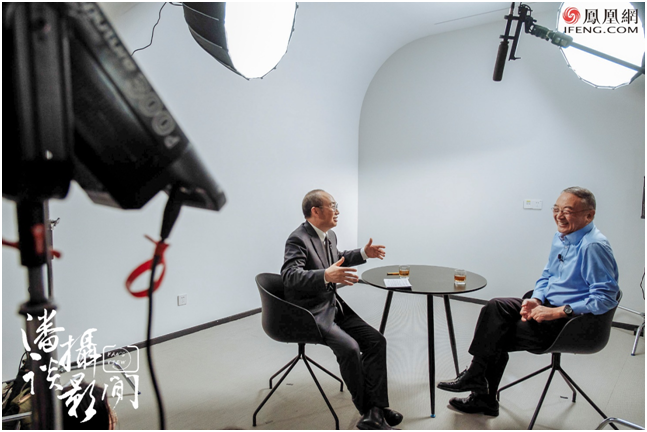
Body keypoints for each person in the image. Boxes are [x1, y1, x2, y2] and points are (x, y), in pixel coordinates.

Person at [437, 186, 619, 417]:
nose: (559, 216)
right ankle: (477, 380)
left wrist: (557, 312)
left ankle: (481, 392)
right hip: (547, 306)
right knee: (495, 308)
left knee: (496, 333)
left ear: (589, 215)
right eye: (556, 209)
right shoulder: (561, 237)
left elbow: (606, 298)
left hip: (570, 322)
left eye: (567, 211)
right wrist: (536, 299)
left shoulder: (593, 246)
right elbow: (547, 276)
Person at [281, 189, 402, 430]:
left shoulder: (330, 235)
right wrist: (325, 275)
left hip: (332, 305)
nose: (338, 211)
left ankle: (376, 409)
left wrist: (363, 253)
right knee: (350, 348)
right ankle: (369, 410)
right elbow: (289, 276)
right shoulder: (298, 239)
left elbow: (338, 257)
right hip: (311, 312)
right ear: (316, 211)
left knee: (376, 341)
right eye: (333, 206)